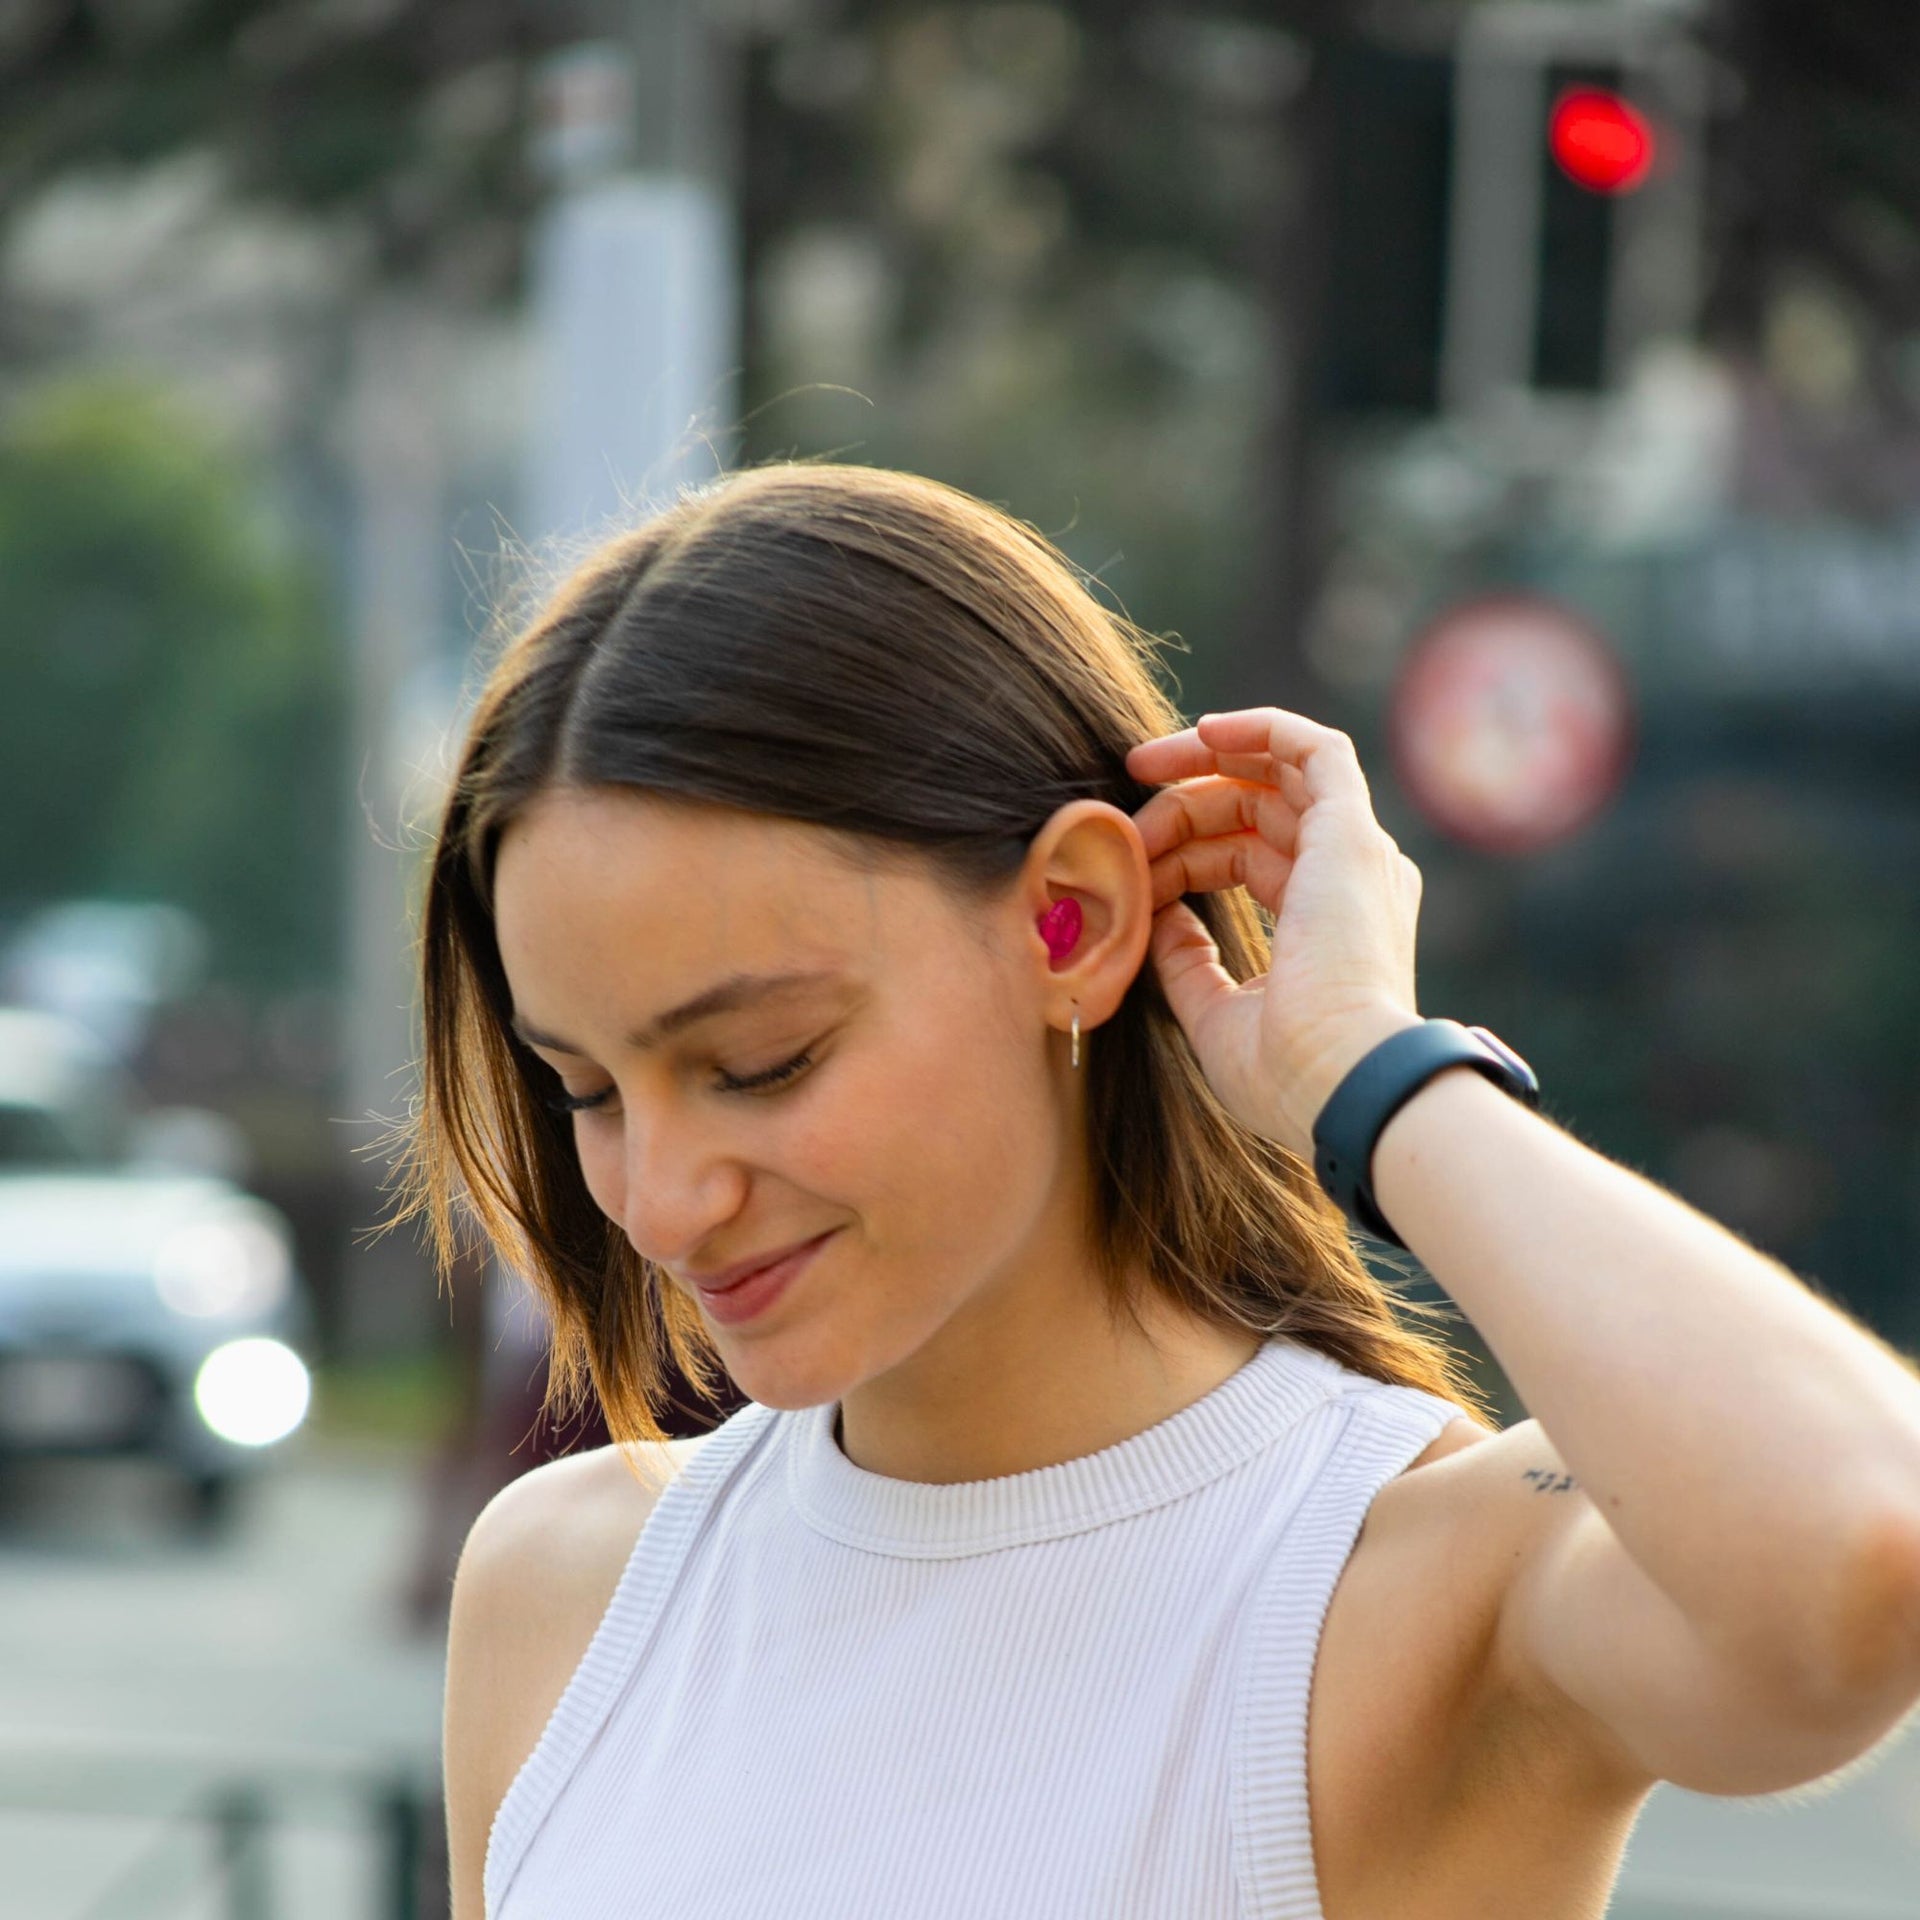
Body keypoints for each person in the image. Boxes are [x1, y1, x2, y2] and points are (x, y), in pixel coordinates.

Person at [404, 462, 1920, 1919]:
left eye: (762, 1061)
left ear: (1068, 922)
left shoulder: (1403, 1583)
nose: (661, 1205)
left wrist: (1367, 1071)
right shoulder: (569, 1590)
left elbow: (1861, 1541)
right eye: (585, 1090)